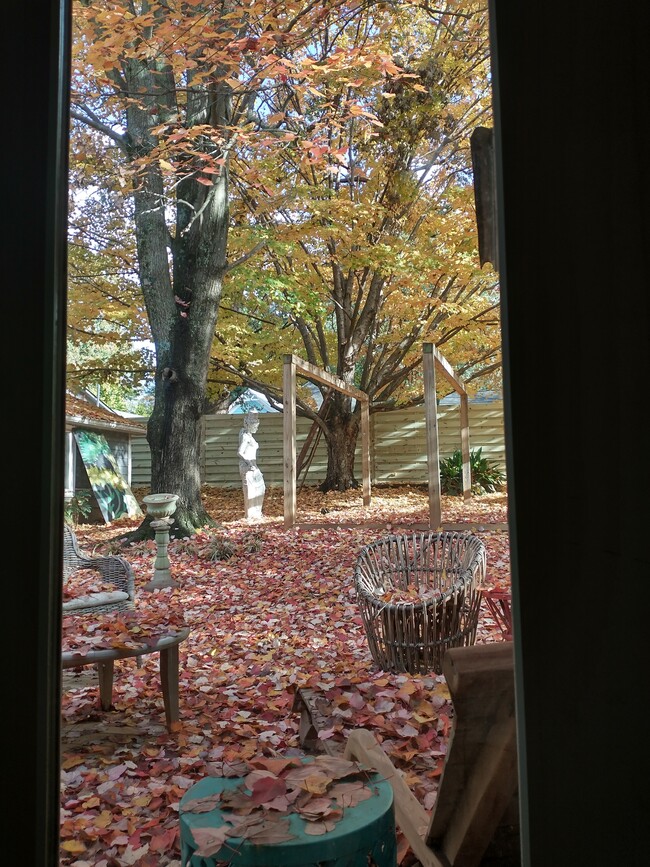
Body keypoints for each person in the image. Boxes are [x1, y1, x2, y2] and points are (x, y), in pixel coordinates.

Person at [237, 410, 265, 520]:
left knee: (261, 488)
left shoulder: (249, 435)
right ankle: (250, 515)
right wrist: (249, 464)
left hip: (253, 465)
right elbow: (240, 452)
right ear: (249, 424)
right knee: (250, 490)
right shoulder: (245, 436)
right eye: (255, 425)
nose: (257, 427)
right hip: (247, 466)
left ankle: (256, 513)